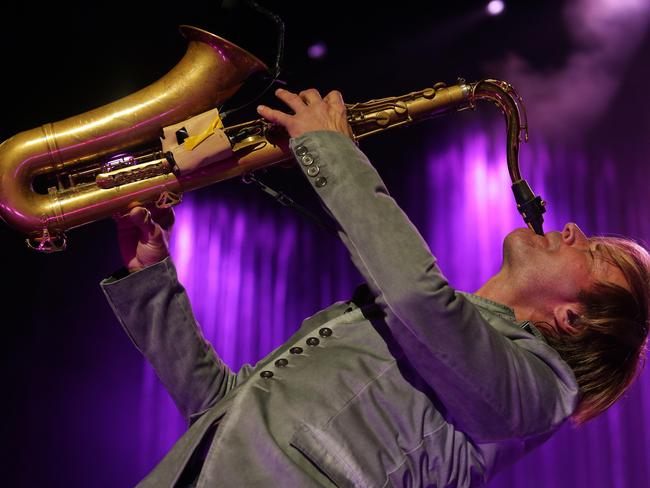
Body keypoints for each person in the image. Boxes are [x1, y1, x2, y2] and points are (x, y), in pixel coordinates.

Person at [101, 88, 650, 487]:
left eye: (594, 253)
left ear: (574, 319)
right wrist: (150, 277)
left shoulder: (542, 394)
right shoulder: (427, 325)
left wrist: (332, 151)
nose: (575, 230)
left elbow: (416, 297)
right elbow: (221, 405)